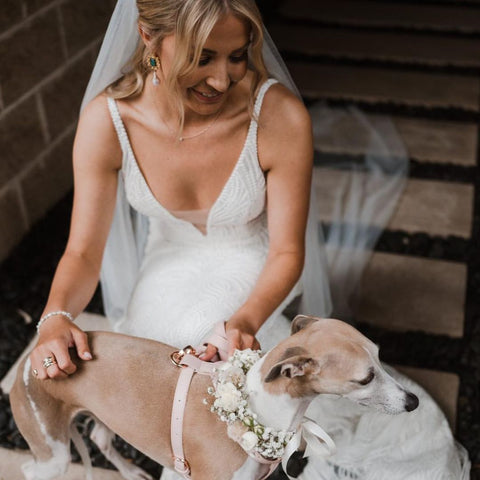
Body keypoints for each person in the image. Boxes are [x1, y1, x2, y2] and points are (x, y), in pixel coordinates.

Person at [27, 0, 470, 479]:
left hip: (253, 271)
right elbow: (83, 251)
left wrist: (244, 321)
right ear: (148, 38)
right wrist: (54, 318)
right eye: (202, 56)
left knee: (244, 371)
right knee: (171, 364)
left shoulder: (278, 116)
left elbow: (286, 252)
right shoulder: (107, 121)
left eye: (237, 56)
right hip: (167, 266)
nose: (222, 80)